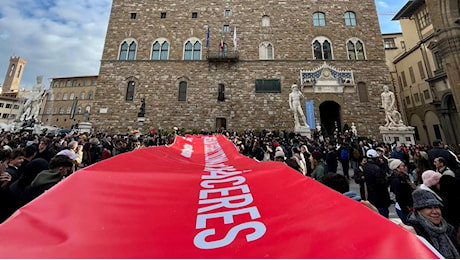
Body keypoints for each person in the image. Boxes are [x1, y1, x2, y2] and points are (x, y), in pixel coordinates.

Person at [406, 189, 460, 258]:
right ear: (418, 211)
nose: (434, 211)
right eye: (428, 208)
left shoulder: (448, 228)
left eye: (436, 207)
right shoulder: (413, 231)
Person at [363, 149, 392, 218]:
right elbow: (383, 184)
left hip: (372, 196)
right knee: (384, 216)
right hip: (380, 197)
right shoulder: (377, 169)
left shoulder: (365, 167)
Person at [388, 159, 416, 224]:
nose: (405, 167)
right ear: (397, 168)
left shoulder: (404, 176)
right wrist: (406, 209)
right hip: (404, 207)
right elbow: (399, 196)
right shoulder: (396, 180)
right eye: (402, 166)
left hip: (409, 204)